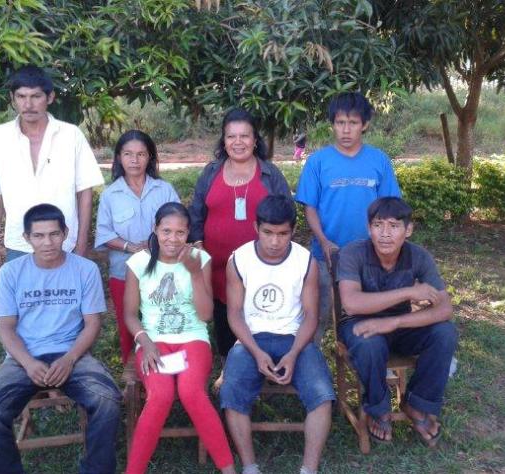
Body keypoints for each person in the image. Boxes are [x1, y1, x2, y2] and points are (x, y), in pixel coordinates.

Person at [0, 204, 122, 474]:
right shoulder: (11, 272)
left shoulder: (85, 269)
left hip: (72, 354)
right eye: (39, 236)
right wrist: (28, 363)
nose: (47, 242)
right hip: (23, 358)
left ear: (65, 233)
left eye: (54, 234)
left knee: (107, 399)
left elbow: (92, 323)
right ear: (26, 238)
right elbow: (5, 327)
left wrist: (69, 359)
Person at [221, 195, 335, 474]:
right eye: (268, 232)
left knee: (322, 395)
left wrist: (294, 354)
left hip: (294, 339)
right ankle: (250, 467)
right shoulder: (239, 260)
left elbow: (311, 316)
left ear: (293, 230)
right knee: (231, 392)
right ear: (256, 228)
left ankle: (309, 469)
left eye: (283, 234)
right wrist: (256, 352)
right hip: (251, 339)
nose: (274, 241)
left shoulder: (305, 261)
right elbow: (234, 314)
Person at [123, 202, 235, 474]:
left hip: (192, 338)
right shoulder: (139, 263)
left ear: (188, 233)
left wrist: (194, 272)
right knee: (160, 395)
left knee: (191, 392)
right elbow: (129, 314)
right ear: (155, 229)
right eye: (166, 231)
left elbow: (205, 315)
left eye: (180, 232)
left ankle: (229, 469)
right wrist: (146, 343)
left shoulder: (199, 259)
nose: (173, 239)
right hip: (153, 340)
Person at [337, 197, 457, 447]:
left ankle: (417, 404)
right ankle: (379, 409)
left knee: (445, 333)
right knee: (370, 344)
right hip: (359, 323)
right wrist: (408, 292)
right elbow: (352, 303)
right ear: (369, 228)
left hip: (400, 326)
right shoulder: (353, 253)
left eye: (393, 226)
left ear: (408, 229)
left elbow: (445, 308)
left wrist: (394, 322)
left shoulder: (418, 256)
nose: (385, 233)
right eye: (378, 225)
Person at [0, 65, 104, 279]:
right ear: (12, 98)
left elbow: (85, 193)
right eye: (21, 96)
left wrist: (82, 246)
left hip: (65, 245)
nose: (28, 104)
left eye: (36, 96)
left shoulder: (71, 136)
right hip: (18, 245)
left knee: (67, 300)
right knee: (23, 300)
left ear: (50, 97)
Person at [188, 108, 290, 373]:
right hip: (217, 268)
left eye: (244, 136)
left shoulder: (270, 174)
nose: (238, 142)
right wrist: (199, 248)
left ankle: (261, 365)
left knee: (258, 315)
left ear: (255, 140)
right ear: (223, 140)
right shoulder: (211, 172)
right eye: (231, 136)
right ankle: (228, 368)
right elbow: (196, 214)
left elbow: (287, 215)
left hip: (262, 268)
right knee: (224, 317)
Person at [295, 91, 401, 343]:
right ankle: (309, 357)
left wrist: (383, 244)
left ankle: (366, 356)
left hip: (370, 256)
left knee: (368, 316)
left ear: (364, 125)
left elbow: (389, 207)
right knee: (317, 315)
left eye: (353, 123)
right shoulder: (318, 162)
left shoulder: (379, 160)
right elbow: (310, 208)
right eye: (340, 122)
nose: (346, 130)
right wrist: (323, 241)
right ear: (332, 124)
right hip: (325, 255)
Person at [95, 130, 180, 364]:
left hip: (163, 270)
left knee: (162, 318)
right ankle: (132, 367)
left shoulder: (164, 190)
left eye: (141, 154)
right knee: (128, 321)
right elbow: (104, 234)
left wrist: (156, 245)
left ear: (150, 157)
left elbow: (180, 224)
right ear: (119, 158)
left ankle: (166, 364)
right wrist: (132, 247)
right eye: (128, 154)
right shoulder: (110, 195)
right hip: (123, 271)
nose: (134, 160)